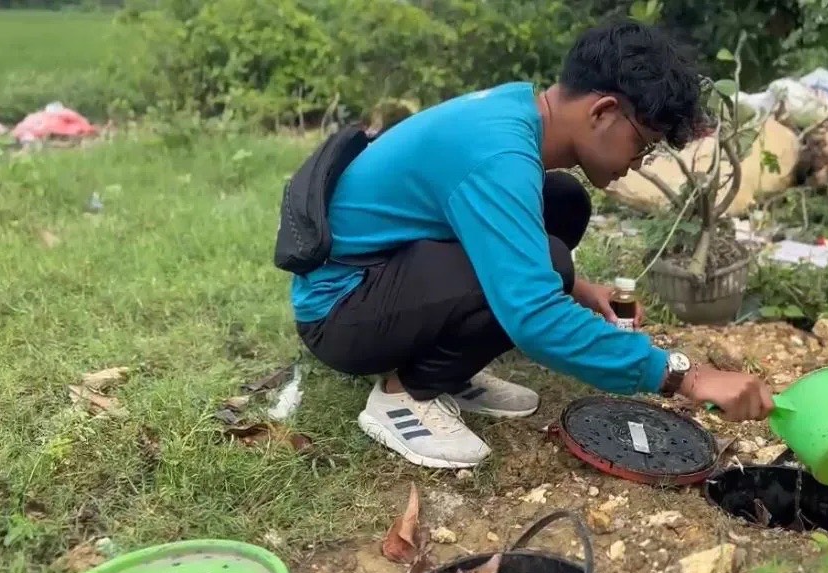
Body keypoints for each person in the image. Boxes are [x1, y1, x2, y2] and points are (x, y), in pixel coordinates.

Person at [291, 18, 774, 469]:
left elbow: (492, 231)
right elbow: (535, 315)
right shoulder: (498, 152)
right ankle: (404, 395)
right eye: (643, 145)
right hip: (341, 313)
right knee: (547, 268)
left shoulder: (518, 111)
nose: (641, 162)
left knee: (562, 202)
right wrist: (686, 377)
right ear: (604, 111)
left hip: (385, 275)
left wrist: (583, 289)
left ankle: (447, 369)